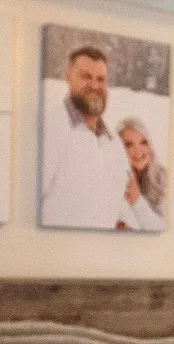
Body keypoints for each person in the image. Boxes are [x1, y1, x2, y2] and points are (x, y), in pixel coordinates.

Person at [40, 45, 130, 230]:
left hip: (101, 255)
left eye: (101, 79)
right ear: (68, 78)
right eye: (86, 77)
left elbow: (118, 202)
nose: (95, 85)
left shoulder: (113, 143)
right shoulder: (49, 126)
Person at [116, 116, 167, 232]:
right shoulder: (115, 179)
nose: (138, 151)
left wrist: (136, 200)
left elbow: (164, 229)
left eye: (143, 142)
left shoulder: (163, 177)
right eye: (129, 145)